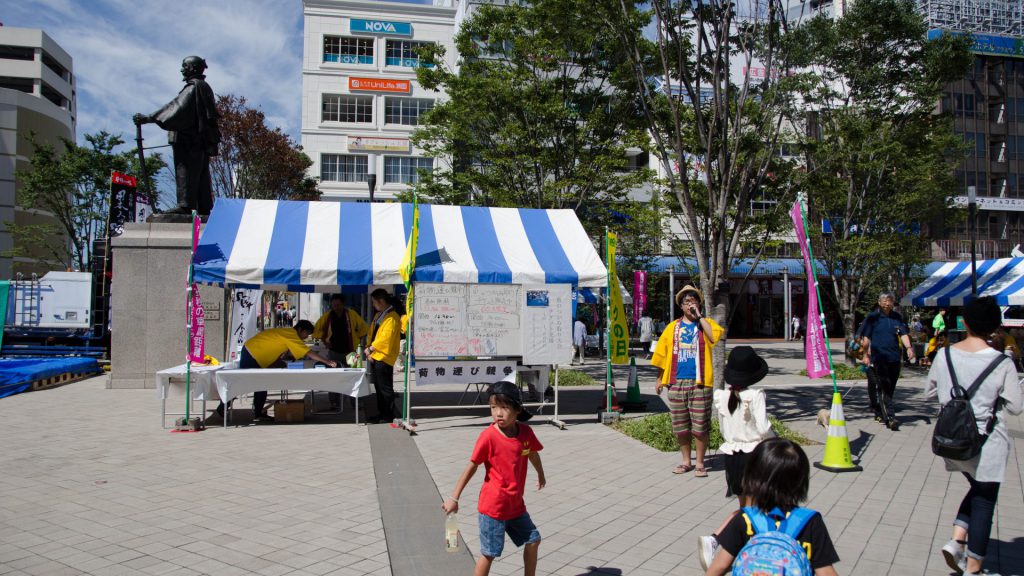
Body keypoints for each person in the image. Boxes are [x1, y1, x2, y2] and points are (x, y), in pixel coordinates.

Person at [925, 297, 1022, 576]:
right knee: (984, 499)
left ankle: (957, 540)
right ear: (995, 327)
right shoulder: (1001, 362)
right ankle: (975, 568)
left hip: (952, 441)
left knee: (978, 489)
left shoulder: (944, 355)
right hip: (987, 443)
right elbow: (1016, 406)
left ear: (964, 322)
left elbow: (929, 392)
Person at [442, 382, 546, 576]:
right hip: (493, 508)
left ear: (517, 409)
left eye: (504, 407)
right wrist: (454, 498)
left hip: (515, 507)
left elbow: (532, 453)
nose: (498, 413)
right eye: (493, 407)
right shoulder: (488, 437)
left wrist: (540, 474)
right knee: (489, 553)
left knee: (533, 540)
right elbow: (472, 466)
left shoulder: (525, 433)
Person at [703, 438, 839, 575]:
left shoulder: (745, 519)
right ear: (801, 481)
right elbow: (826, 572)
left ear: (752, 478)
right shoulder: (810, 522)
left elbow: (720, 567)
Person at [699, 346, 773, 570]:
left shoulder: (722, 396)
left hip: (731, 456)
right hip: (753, 455)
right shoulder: (755, 395)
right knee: (753, 510)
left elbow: (723, 430)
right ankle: (716, 539)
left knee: (746, 508)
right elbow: (763, 428)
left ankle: (744, 547)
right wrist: (777, 441)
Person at [651, 285, 724, 477]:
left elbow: (714, 337)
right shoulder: (672, 327)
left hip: (700, 382)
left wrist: (699, 316)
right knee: (681, 426)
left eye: (693, 300)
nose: (690, 304)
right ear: (681, 306)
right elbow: (662, 354)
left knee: (700, 425)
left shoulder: (705, 323)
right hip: (676, 381)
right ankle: (686, 461)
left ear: (699, 303)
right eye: (686, 302)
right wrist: (659, 379)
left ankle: (700, 463)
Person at [133, 56, 220, 215]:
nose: (182, 69)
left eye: (184, 66)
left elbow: (177, 109)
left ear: (193, 68)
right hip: (197, 142)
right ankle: (204, 206)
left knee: (186, 171)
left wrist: (149, 118)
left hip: (189, 141)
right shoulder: (202, 87)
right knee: (200, 174)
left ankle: (185, 205)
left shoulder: (193, 87)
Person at [212, 320, 337, 420]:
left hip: (254, 353)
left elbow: (276, 350)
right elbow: (308, 352)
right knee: (242, 383)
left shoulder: (287, 333)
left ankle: (258, 412)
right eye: (307, 334)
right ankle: (223, 407)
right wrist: (327, 361)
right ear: (300, 330)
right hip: (252, 354)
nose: (306, 337)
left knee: (261, 385)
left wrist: (277, 363)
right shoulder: (292, 335)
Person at [861, 292, 915, 430]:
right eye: (885, 300)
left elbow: (903, 334)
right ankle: (890, 417)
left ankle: (880, 410)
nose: (887, 303)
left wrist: (909, 348)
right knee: (884, 386)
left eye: (890, 300)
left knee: (889, 388)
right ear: (879, 302)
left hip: (894, 358)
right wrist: (865, 355)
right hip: (879, 357)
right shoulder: (873, 317)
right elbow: (866, 338)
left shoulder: (897, 317)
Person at [313, 294, 369, 410]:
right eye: (334, 305)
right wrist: (324, 340)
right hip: (334, 352)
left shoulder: (351, 314)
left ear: (343, 304)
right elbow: (317, 330)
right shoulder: (327, 316)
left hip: (351, 352)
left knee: (353, 376)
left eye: (338, 305)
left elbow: (363, 328)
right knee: (334, 377)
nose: (336, 307)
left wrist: (356, 338)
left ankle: (355, 402)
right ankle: (334, 402)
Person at [366, 288, 404, 424]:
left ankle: (388, 414)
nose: (373, 305)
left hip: (384, 357)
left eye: (374, 302)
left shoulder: (392, 316)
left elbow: (385, 338)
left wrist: (371, 348)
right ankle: (382, 413)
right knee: (379, 387)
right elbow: (373, 333)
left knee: (385, 388)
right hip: (376, 355)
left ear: (381, 301)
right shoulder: (381, 314)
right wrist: (368, 348)